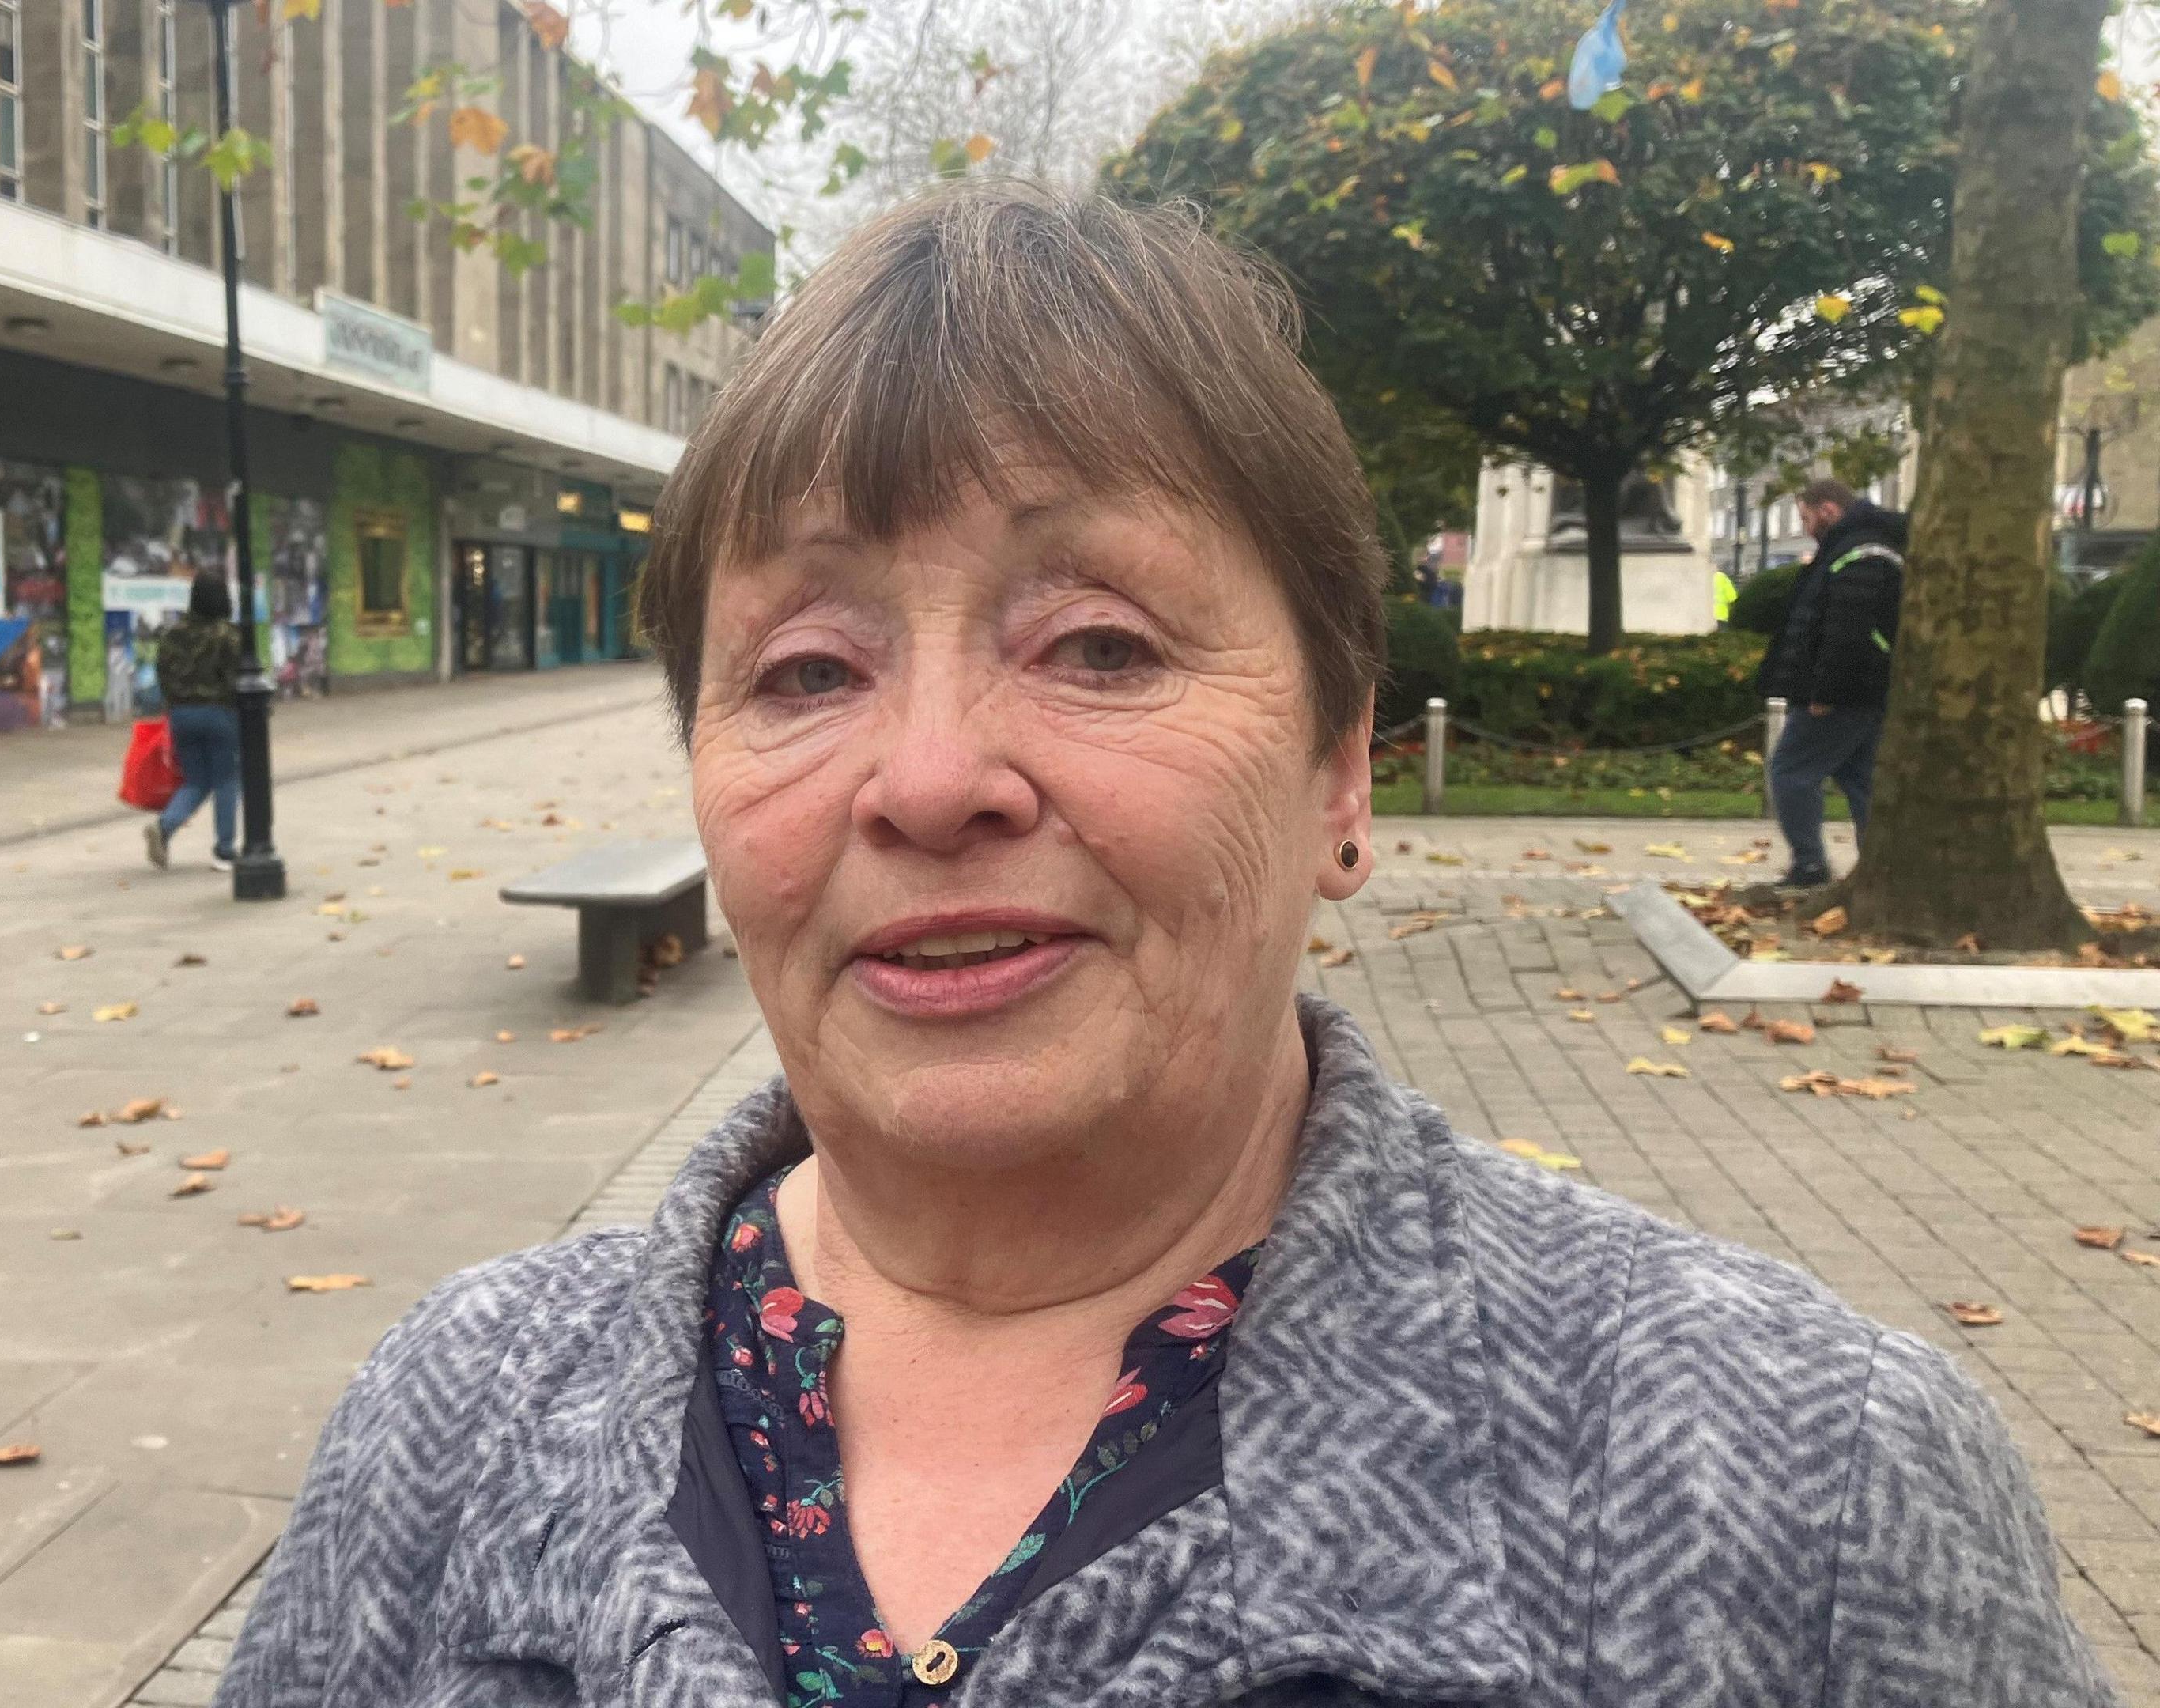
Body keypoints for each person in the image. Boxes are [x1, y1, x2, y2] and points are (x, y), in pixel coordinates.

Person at [216, 185, 2105, 1707]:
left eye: (1099, 642)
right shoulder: (446, 1422)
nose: (930, 777)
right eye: (805, 667)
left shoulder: (1810, 1485)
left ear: (1342, 764)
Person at [1755, 478, 1908, 888]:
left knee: (1790, 771)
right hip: (1865, 690)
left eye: (1805, 517)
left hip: (1845, 693)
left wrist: (1826, 694)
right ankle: (1883, 866)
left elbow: (1847, 634)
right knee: (1859, 778)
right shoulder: (1855, 550)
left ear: (1827, 510)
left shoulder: (1859, 554)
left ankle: (1809, 864)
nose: (1805, 527)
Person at [144, 570, 243, 874]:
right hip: (219, 714)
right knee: (227, 780)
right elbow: (238, 678)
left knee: (196, 780)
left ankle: (164, 828)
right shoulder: (227, 635)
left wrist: (176, 703)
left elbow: (162, 671)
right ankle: (225, 851)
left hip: (182, 715)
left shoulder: (173, 633)